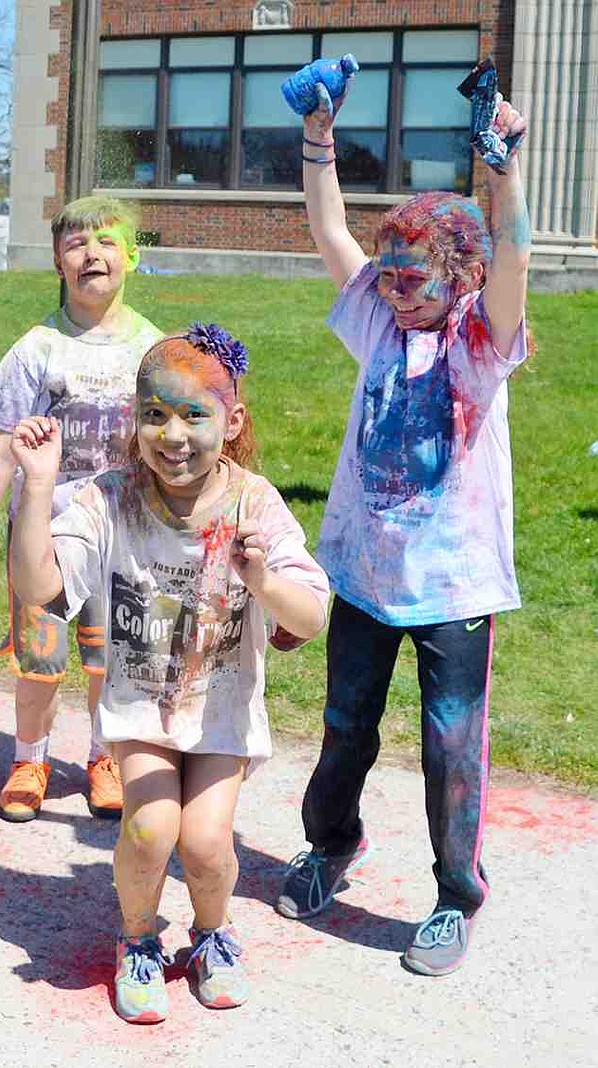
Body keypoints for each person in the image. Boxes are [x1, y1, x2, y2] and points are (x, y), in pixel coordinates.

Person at [275, 73, 532, 978]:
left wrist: (502, 173)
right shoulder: (382, 320)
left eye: (413, 281)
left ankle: (456, 893)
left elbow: (512, 259)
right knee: (346, 724)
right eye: (388, 280)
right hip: (362, 574)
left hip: (453, 586)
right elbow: (329, 232)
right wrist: (319, 134)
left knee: (449, 745)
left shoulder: (478, 339)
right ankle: (330, 845)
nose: (395, 294)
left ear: (456, 278)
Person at [9, 325, 329, 1022]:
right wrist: (37, 488)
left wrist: (262, 579)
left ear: (233, 420)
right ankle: (137, 939)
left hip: (220, 712)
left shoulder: (255, 502)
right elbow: (41, 586)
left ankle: (214, 932)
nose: (172, 434)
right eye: (155, 414)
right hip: (141, 709)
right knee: (152, 828)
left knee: (208, 843)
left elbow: (310, 617)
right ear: (136, 417)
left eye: (194, 414)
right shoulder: (110, 497)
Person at [0, 196, 163, 823]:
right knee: (40, 660)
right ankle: (29, 760)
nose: (92, 254)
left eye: (108, 242)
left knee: (111, 656)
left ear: (132, 255)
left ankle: (104, 757)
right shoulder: (38, 349)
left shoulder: (154, 351)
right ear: (57, 263)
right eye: (75, 244)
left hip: (125, 537)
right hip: (44, 541)